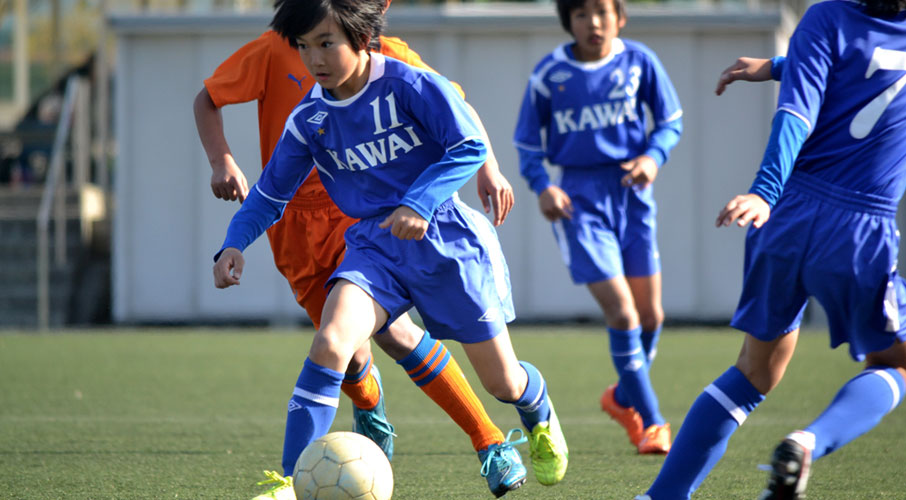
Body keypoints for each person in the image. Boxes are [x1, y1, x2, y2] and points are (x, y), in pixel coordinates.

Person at [211, 0, 570, 497]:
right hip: (374, 248)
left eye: (325, 43)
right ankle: (289, 484)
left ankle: (537, 410)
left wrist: (419, 203)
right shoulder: (309, 118)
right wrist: (233, 244)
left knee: (503, 384)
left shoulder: (408, 84)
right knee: (333, 342)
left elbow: (468, 145)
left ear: (360, 37)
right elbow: (270, 195)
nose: (313, 59)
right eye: (304, 46)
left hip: (445, 240)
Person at [636, 1, 906, 498]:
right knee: (897, 362)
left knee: (755, 371)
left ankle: (661, 496)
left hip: (785, 213)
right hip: (856, 231)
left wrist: (764, 192)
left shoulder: (826, 18)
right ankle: (807, 443)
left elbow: (801, 108)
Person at [513, 0, 682, 454]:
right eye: (583, 13)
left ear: (620, 17)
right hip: (579, 204)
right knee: (623, 314)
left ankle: (621, 397)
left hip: (632, 195)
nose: (595, 22)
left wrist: (653, 157)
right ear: (568, 20)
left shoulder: (640, 61)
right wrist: (542, 186)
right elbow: (528, 144)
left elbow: (670, 121)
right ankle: (653, 422)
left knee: (651, 318)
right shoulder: (550, 75)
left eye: (604, 10)